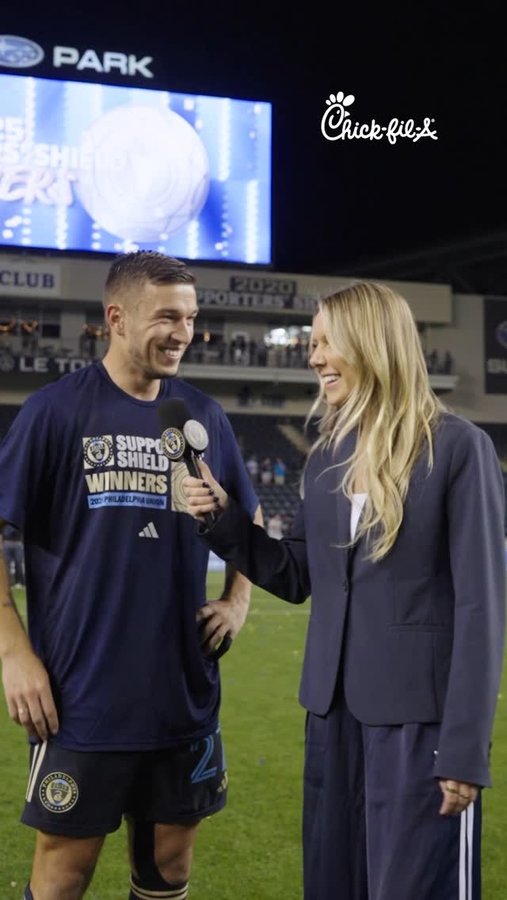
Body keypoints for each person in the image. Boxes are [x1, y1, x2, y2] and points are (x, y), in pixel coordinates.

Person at [182, 281, 506, 900]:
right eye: (313, 342)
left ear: (371, 343)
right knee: (336, 885)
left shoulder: (460, 448)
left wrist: (464, 748)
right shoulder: (327, 454)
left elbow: (480, 609)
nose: (313, 356)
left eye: (326, 341)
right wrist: (225, 520)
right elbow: (299, 574)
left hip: (421, 729)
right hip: (332, 719)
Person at [0, 250, 261, 900]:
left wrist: (236, 601)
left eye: (191, 317)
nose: (183, 332)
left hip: (183, 694)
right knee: (64, 874)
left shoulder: (203, 417)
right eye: (167, 316)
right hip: (81, 694)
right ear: (116, 317)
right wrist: (13, 651)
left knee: (169, 864)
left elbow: (246, 525)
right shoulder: (55, 412)